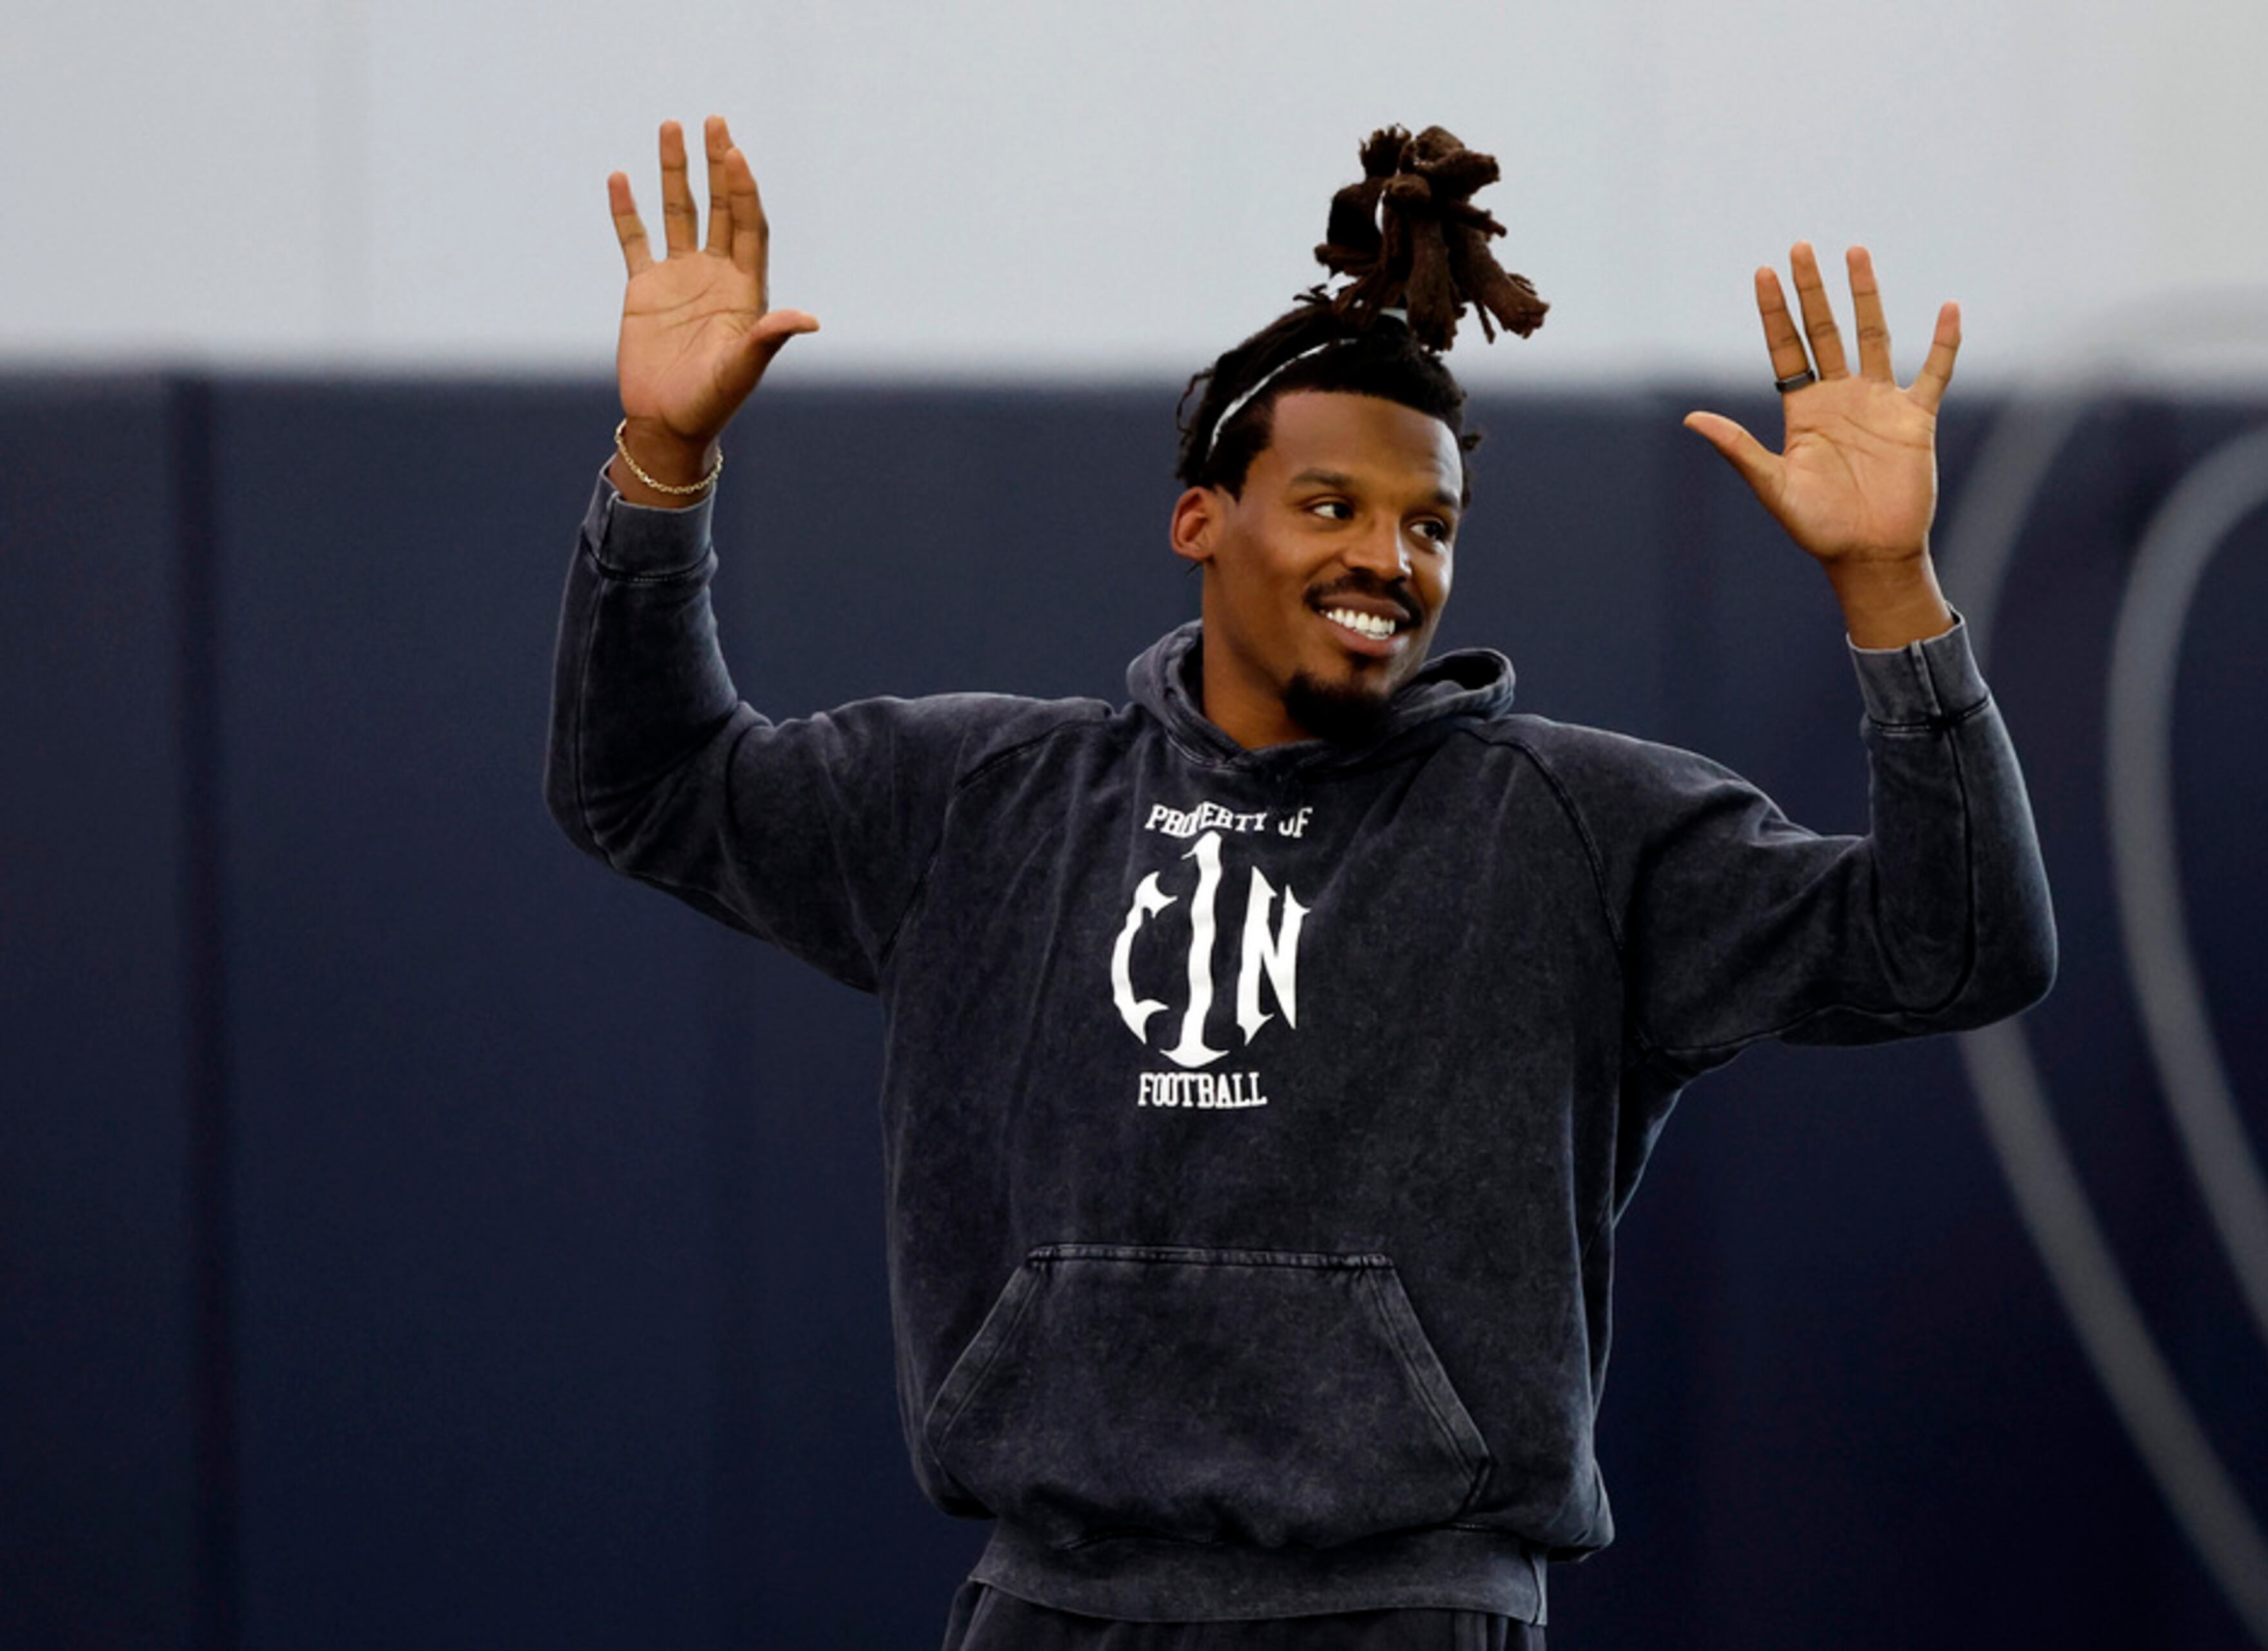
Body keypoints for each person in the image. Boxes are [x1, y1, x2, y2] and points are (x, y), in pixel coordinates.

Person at [548, 116, 2057, 1650]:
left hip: (1406, 1607)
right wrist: (663, 463)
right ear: (1203, 519)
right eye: (1334, 507)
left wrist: (1888, 588)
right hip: (1051, 1604)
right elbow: (648, 786)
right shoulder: (980, 801)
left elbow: (1958, 949)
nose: (1390, 559)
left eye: (1432, 526)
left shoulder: (1576, 826)